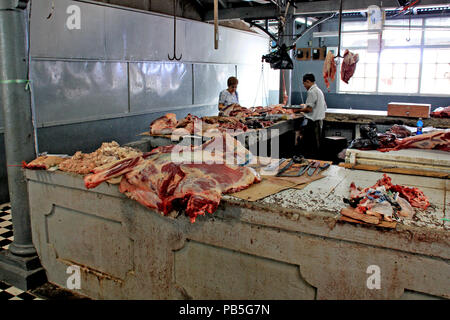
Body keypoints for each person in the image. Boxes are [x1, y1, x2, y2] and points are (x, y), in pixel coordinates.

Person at [294, 73, 327, 158]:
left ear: (308, 82)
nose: (304, 86)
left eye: (304, 84)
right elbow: (324, 106)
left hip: (312, 123)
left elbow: (309, 109)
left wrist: (297, 110)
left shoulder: (312, 91)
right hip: (319, 122)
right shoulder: (319, 91)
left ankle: (310, 162)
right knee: (316, 145)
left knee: (310, 146)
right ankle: (314, 161)